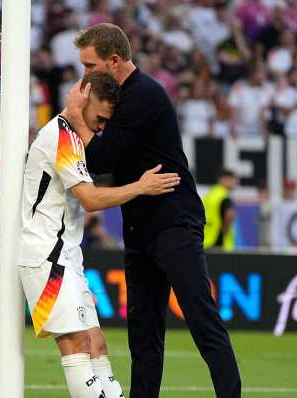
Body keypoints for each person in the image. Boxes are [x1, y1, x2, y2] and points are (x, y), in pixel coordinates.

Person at [65, 23, 241, 398]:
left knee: (201, 319)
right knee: (143, 335)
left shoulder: (144, 95)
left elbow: (100, 158)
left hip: (172, 223)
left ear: (114, 61)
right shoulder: (121, 99)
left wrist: (76, 116)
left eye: (90, 66)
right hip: (141, 228)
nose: (85, 75)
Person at [19, 71, 181, 398]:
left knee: (96, 343)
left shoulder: (74, 135)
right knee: (77, 344)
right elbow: (90, 199)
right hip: (47, 257)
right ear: (83, 96)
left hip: (67, 258)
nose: (101, 127)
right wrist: (141, 187)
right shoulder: (61, 136)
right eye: (100, 118)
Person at [202, 169, 238, 251]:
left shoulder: (209, 194)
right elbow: (230, 214)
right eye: (232, 179)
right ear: (223, 180)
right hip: (220, 242)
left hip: (207, 239)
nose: (234, 183)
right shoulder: (224, 195)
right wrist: (225, 228)